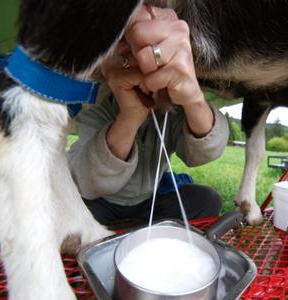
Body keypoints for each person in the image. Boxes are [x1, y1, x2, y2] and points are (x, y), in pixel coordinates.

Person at [67, 5, 229, 226]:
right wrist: (130, 116)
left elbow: (203, 153)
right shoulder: (96, 96)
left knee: (206, 199)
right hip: (99, 202)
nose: (143, 66)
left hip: (148, 201)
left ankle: (136, 228)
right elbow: (91, 182)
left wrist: (193, 98)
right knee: (67, 216)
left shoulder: (171, 98)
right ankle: (137, 230)